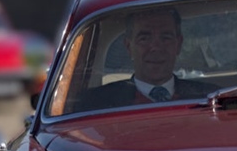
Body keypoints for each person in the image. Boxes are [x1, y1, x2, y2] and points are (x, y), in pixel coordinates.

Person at [77, 7, 215, 110]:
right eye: (144, 38)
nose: (156, 47)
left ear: (178, 44)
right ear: (128, 47)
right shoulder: (96, 105)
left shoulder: (209, 99)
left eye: (165, 37)